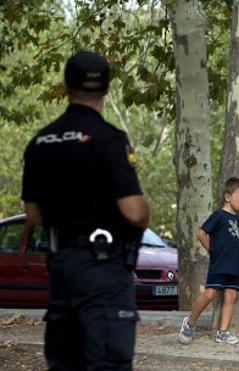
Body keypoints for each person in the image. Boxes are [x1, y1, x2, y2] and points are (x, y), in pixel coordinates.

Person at [21, 50, 150, 370]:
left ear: (66, 86)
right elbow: (134, 211)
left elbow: (34, 216)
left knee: (66, 362)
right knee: (107, 361)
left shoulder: (40, 142)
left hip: (62, 266)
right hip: (103, 269)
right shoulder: (109, 139)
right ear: (106, 88)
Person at [179, 177, 239, 345]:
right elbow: (201, 233)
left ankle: (223, 332)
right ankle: (189, 322)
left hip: (236, 265)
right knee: (210, 293)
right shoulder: (218, 216)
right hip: (220, 264)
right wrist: (213, 249)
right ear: (227, 197)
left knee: (231, 296)